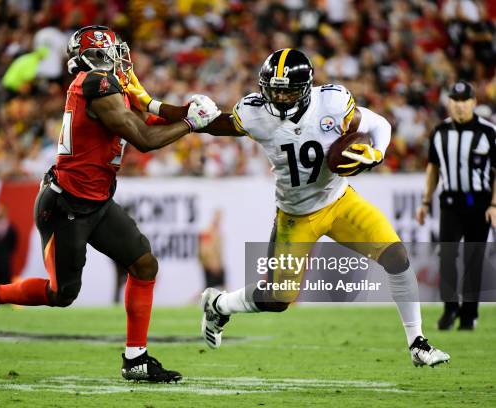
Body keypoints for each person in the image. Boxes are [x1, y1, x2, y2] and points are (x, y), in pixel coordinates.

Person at [127, 48, 450, 367]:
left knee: (396, 256)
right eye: (274, 91)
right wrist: (151, 103)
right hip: (295, 216)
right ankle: (219, 304)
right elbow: (208, 122)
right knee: (278, 299)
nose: (280, 99)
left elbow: (379, 124)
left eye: (288, 92)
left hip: (339, 200)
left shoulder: (333, 102)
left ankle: (417, 343)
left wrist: (377, 153)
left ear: (306, 89)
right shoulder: (255, 113)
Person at [0, 25, 220, 383]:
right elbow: (145, 138)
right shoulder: (96, 85)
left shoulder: (109, 85)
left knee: (144, 264)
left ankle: (136, 358)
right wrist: (191, 125)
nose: (121, 57)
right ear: (96, 55)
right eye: (113, 51)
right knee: (62, 294)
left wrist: (189, 111)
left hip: (97, 200)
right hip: (66, 205)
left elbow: (148, 114)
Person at [416, 80, 496, 331]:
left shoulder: (488, 132)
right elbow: (433, 168)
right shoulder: (439, 132)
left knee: (474, 259)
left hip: (479, 203)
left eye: (464, 101)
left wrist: (494, 203)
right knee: (447, 256)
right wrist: (425, 201)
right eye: (455, 100)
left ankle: (469, 315)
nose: (460, 106)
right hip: (450, 202)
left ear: (473, 102)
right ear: (449, 102)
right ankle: (450, 309)